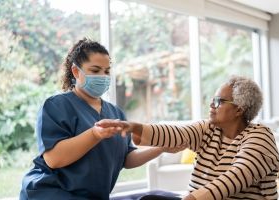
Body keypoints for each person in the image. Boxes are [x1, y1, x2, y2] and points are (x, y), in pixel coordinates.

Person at [20, 38, 184, 200]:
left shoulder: (115, 113)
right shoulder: (57, 106)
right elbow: (54, 159)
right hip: (50, 193)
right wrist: (95, 135)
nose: (103, 76)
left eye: (106, 71)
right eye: (95, 70)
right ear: (76, 72)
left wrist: (161, 148)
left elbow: (127, 158)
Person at [98, 76, 279, 200]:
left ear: (239, 109)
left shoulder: (259, 137)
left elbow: (234, 178)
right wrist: (135, 127)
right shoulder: (208, 128)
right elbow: (177, 133)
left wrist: (191, 199)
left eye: (218, 101)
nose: (211, 105)